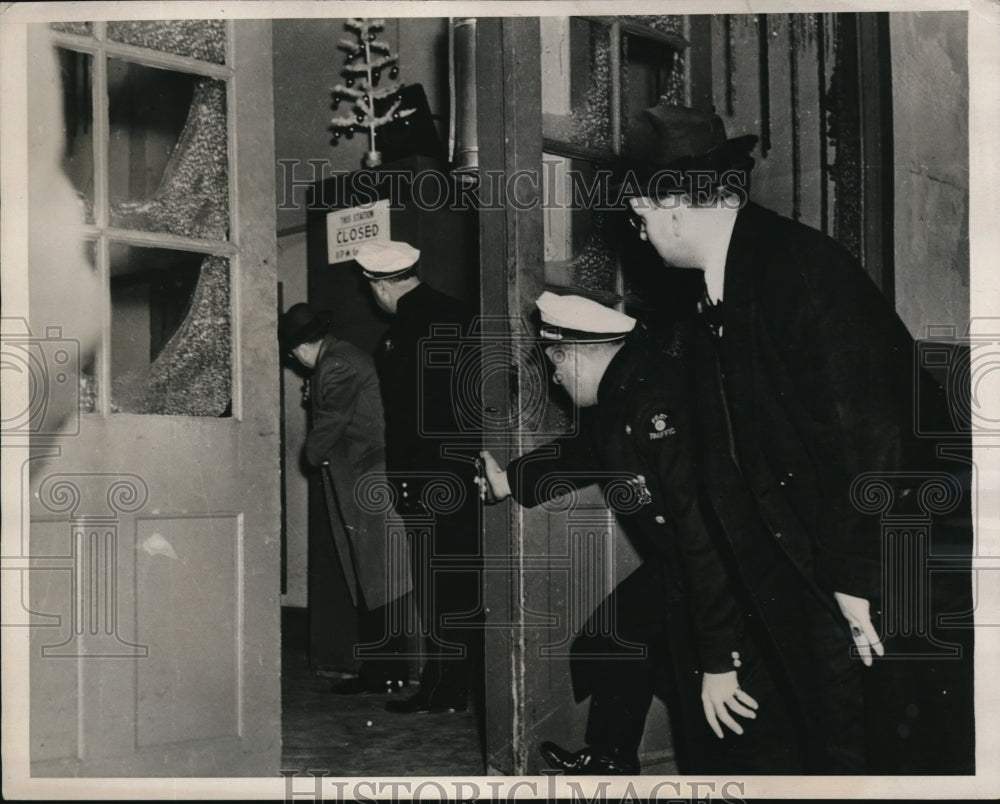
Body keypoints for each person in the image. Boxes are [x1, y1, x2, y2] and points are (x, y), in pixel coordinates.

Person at [619, 103, 974, 774]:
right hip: (814, 564)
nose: (639, 236)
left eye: (638, 218)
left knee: (882, 750)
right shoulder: (718, 294)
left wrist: (856, 583)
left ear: (668, 206)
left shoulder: (800, 272)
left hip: (888, 559)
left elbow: (871, 437)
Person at [479, 292, 804, 775]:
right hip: (684, 562)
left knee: (719, 713)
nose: (555, 377)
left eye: (555, 363)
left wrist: (717, 660)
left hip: (733, 572)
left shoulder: (658, 405)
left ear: (577, 353)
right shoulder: (623, 388)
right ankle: (610, 758)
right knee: (617, 634)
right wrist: (510, 481)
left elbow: (704, 535)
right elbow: (586, 448)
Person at [357, 240, 483, 715]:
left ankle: (444, 687)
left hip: (423, 474)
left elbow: (406, 418)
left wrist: (401, 479)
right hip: (463, 470)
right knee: (460, 581)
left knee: (436, 582)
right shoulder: (463, 315)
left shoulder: (399, 334)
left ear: (378, 285)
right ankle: (453, 684)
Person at [280, 302, 411, 693]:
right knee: (373, 574)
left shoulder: (336, 364)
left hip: (364, 477)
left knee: (377, 575)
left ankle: (384, 671)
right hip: (361, 475)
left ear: (301, 348)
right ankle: (383, 669)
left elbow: (332, 421)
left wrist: (310, 453)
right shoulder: (342, 358)